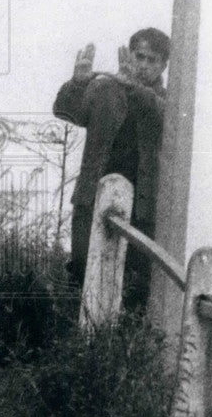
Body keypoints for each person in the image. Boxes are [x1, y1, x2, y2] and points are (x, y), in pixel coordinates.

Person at [52, 27, 170, 315]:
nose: (143, 65)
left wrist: (135, 89)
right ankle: (77, 349)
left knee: (134, 286)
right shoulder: (105, 88)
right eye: (139, 56)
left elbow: (165, 119)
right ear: (129, 55)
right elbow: (66, 111)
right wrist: (78, 83)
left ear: (164, 65)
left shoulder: (170, 102)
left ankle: (120, 356)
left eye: (152, 60)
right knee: (81, 271)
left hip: (142, 207)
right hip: (92, 197)